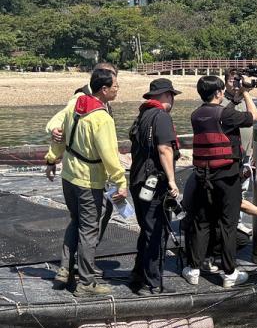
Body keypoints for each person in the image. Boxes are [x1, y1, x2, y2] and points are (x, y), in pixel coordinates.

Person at [53, 68, 128, 296]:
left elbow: (58, 135)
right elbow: (109, 155)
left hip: (68, 176)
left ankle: (65, 269)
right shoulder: (102, 118)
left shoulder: (75, 105)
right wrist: (120, 181)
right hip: (88, 180)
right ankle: (86, 283)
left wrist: (51, 157)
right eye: (115, 86)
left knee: (75, 221)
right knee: (89, 230)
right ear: (104, 89)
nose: (118, 89)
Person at [182, 75, 257, 289]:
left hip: (203, 176)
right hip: (227, 177)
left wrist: (234, 98)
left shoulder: (196, 114)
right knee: (228, 224)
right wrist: (245, 93)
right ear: (218, 93)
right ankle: (229, 273)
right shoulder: (225, 114)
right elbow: (254, 116)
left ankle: (194, 269)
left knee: (202, 222)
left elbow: (220, 116)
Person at [128, 78, 182, 296]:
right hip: (154, 182)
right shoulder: (161, 116)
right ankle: (151, 283)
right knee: (157, 232)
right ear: (167, 95)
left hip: (138, 181)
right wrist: (172, 180)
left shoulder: (143, 115)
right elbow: (165, 149)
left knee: (147, 229)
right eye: (172, 96)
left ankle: (138, 274)